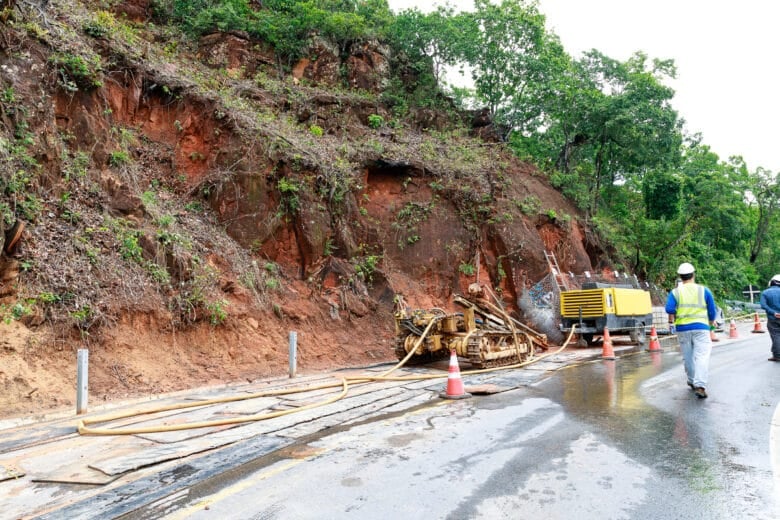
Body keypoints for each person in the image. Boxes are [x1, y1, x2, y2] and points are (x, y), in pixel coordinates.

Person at [665, 262, 718, 398]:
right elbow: (712, 311)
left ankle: (691, 380)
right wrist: (711, 323)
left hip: (682, 328)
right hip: (701, 327)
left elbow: (669, 309)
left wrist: (677, 312)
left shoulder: (675, 292)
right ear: (693, 274)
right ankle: (700, 385)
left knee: (688, 356)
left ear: (680, 276)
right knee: (702, 356)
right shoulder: (703, 290)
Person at [759, 274, 780, 362]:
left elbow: (763, 305)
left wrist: (773, 313)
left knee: (776, 336)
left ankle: (777, 355)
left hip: (773, 318)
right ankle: (776, 354)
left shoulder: (765, 292)